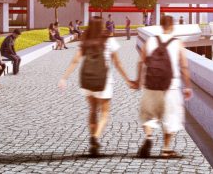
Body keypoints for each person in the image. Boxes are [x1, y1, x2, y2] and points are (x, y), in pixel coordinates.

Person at [58, 18, 132, 157]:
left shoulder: (85, 41)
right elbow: (118, 63)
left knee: (92, 110)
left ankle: (92, 137)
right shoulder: (109, 40)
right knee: (104, 113)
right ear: (102, 25)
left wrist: (64, 78)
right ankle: (96, 137)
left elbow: (75, 61)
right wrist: (128, 80)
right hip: (104, 81)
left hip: (87, 79)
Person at [133, 15, 193, 159]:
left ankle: (148, 137)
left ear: (161, 26)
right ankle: (166, 149)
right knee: (171, 116)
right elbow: (184, 66)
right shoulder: (177, 43)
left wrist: (138, 80)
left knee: (149, 114)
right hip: (171, 85)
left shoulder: (150, 41)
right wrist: (187, 86)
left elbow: (141, 62)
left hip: (151, 83)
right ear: (172, 26)